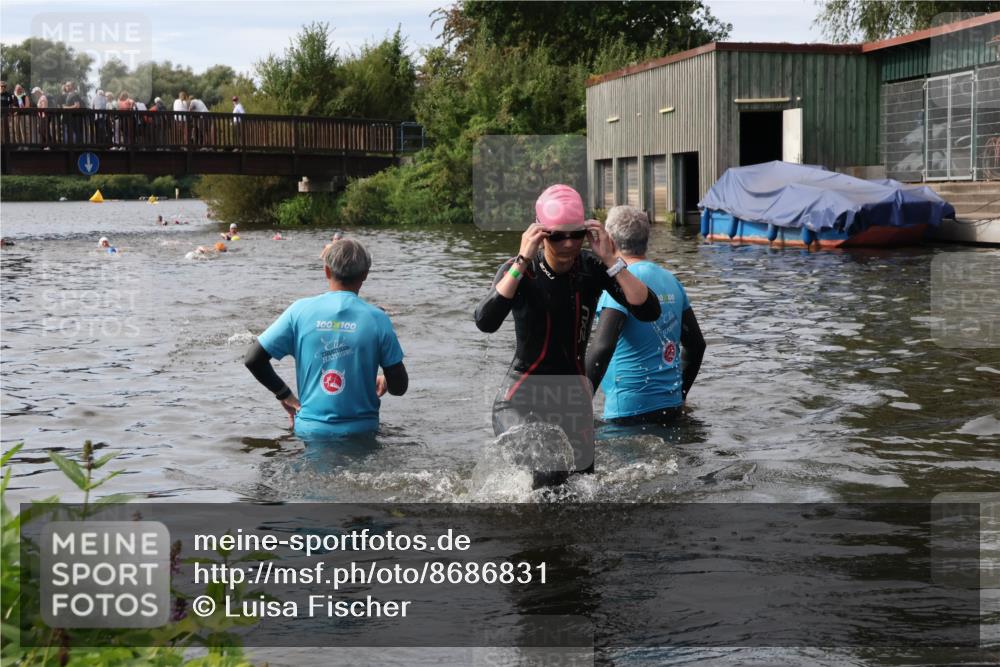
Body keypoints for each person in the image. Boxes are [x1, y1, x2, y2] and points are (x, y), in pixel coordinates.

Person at [474, 184, 661, 487]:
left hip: (572, 399)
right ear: (540, 233)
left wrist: (613, 261)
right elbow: (485, 321)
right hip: (521, 398)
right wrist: (522, 260)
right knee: (548, 471)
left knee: (581, 488)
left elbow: (648, 310)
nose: (568, 243)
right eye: (557, 235)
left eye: (576, 234)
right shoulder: (520, 270)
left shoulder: (594, 268)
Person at [245, 238, 408, 438]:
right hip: (361, 433)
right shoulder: (378, 319)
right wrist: (387, 381)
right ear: (365, 274)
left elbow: (253, 359)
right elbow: (400, 388)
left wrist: (284, 394)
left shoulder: (299, 311)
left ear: (327, 271)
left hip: (311, 431)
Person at [585, 206, 706, 427]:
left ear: (609, 242)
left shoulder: (619, 285)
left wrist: (577, 404)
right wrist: (680, 394)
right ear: (646, 238)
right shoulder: (671, 280)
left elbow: (602, 347)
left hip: (627, 412)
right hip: (670, 408)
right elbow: (696, 345)